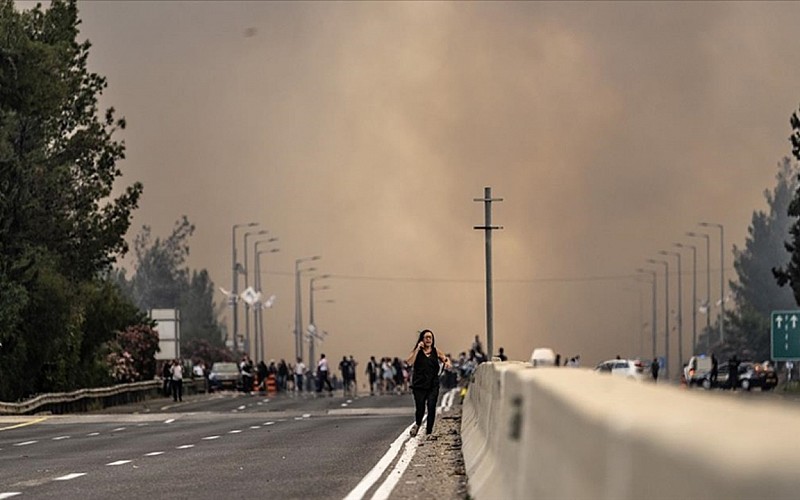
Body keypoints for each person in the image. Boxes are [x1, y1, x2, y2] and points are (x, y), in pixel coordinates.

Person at [406, 329, 452, 438]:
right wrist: (418, 349)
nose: (428, 339)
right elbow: (409, 362)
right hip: (419, 385)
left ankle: (429, 432)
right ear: (421, 339)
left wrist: (447, 362)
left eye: (430, 337)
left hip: (433, 384)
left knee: (431, 406)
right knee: (420, 408)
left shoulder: (436, 351)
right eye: (426, 337)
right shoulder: (417, 352)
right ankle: (417, 424)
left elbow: (445, 359)